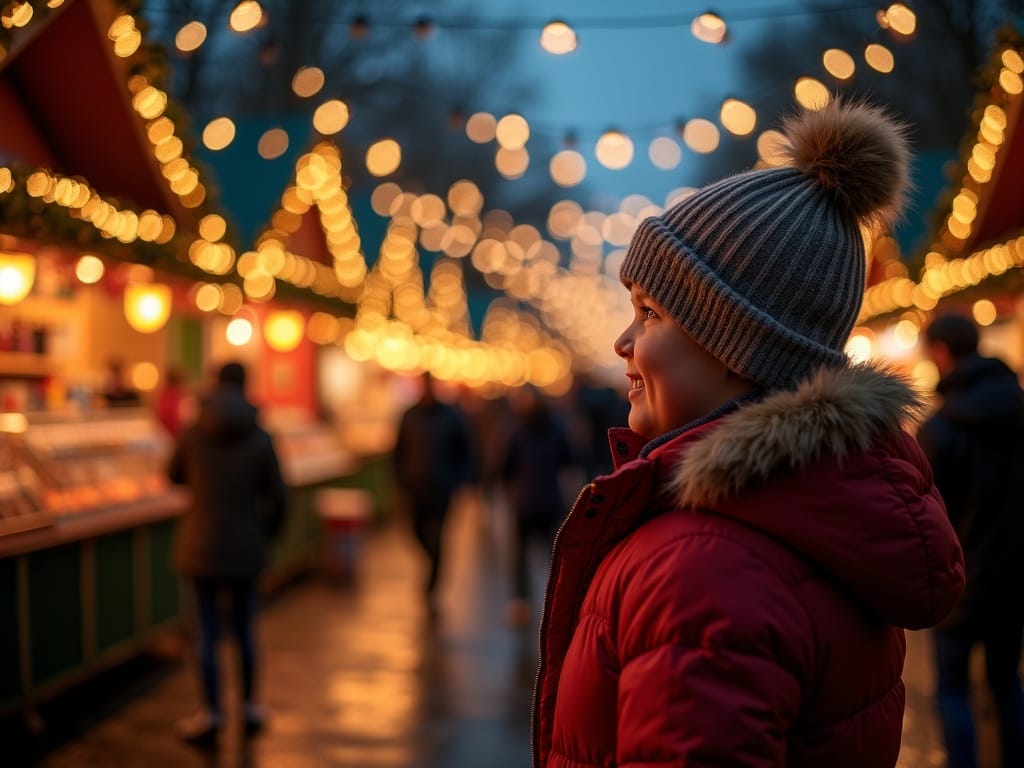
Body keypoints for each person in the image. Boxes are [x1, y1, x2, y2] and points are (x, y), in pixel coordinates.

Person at [532, 99, 966, 768]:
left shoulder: (702, 570)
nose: (622, 341)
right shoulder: (809, 514)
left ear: (738, 346)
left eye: (649, 313)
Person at [916, 313, 1024, 768]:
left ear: (941, 353)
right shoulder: (1020, 409)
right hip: (1015, 573)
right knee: (1006, 683)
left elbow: (928, 518)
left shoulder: (940, 430)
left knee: (954, 688)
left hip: (961, 579)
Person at [168, 361, 288, 746]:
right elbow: (279, 496)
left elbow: (172, 474)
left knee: (204, 634)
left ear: (215, 384)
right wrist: (265, 536)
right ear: (246, 386)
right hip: (245, 545)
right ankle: (250, 707)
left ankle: (210, 713)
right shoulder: (260, 435)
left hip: (200, 543)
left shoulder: (193, 431)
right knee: (245, 632)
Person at [392, 371, 472, 613]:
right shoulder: (409, 416)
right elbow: (399, 451)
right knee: (416, 533)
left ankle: (432, 586)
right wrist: (400, 479)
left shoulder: (451, 417)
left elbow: (464, 452)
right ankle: (431, 566)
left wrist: (458, 481)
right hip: (414, 489)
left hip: (441, 488)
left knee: (437, 538)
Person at [500, 385, 576, 627]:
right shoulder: (556, 428)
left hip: (523, 503)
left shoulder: (516, 430)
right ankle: (557, 599)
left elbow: (504, 466)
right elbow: (570, 460)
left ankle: (522, 602)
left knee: (520, 556)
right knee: (552, 555)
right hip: (550, 501)